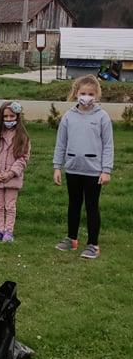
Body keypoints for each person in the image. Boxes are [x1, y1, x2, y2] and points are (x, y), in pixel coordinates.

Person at [53, 74, 113, 259]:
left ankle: (93, 245)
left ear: (96, 95)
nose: (86, 96)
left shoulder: (102, 117)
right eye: (83, 92)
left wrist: (106, 170)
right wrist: (57, 166)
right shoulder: (69, 117)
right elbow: (61, 143)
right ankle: (71, 239)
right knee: (74, 205)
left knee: (91, 206)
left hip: (94, 171)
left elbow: (108, 145)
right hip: (73, 169)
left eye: (90, 93)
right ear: (76, 93)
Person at [0, 100, 31, 243]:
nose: (8, 119)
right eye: (5, 117)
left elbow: (23, 158)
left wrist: (11, 173)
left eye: (12, 117)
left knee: (10, 206)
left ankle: (8, 232)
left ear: (17, 117)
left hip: (12, 178)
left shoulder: (22, 137)